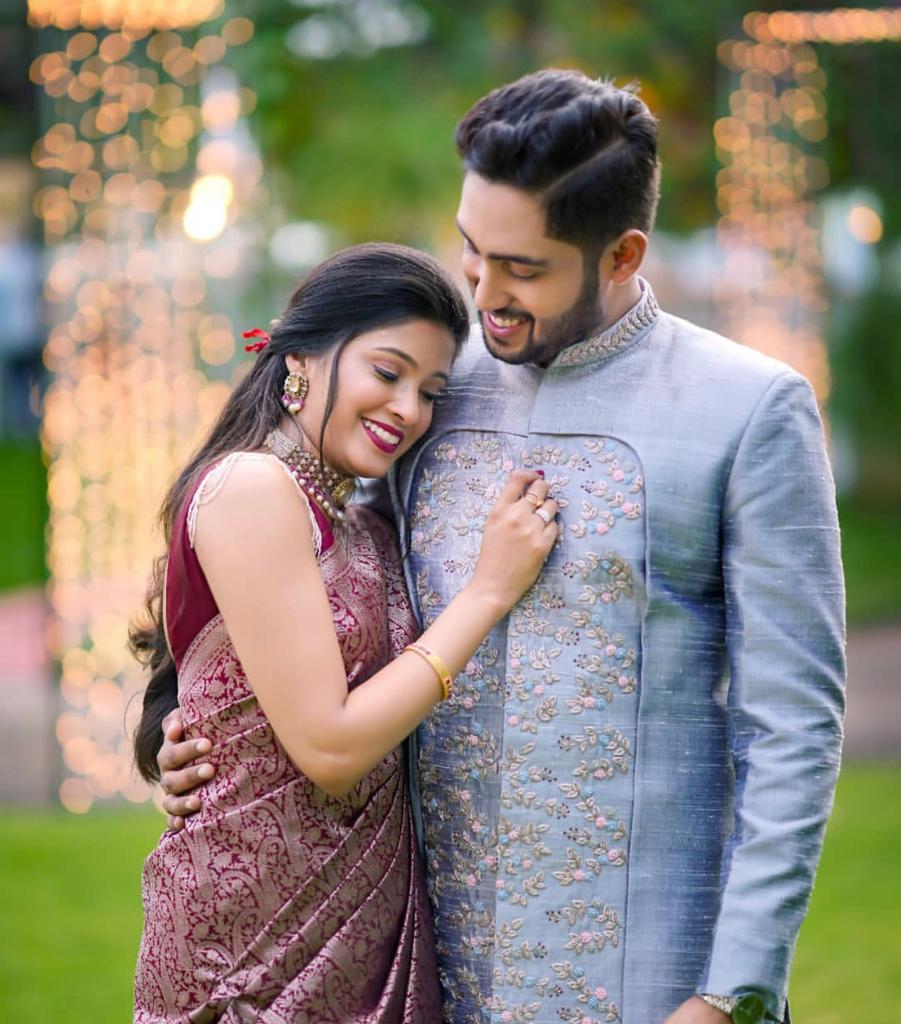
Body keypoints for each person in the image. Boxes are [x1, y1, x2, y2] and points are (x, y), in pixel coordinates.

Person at [158, 72, 845, 1024]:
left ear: (621, 253)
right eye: (472, 252)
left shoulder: (747, 410)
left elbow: (792, 729)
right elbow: (306, 588)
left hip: (649, 975)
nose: (485, 293)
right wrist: (195, 735)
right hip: (416, 969)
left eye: (521, 268)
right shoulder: (429, 390)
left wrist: (731, 991)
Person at [130, 242, 559, 1023]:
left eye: (430, 391)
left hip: (355, 926)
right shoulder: (252, 487)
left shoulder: (354, 517)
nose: (408, 410)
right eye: (387, 373)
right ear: (300, 357)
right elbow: (329, 748)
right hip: (253, 951)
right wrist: (489, 590)